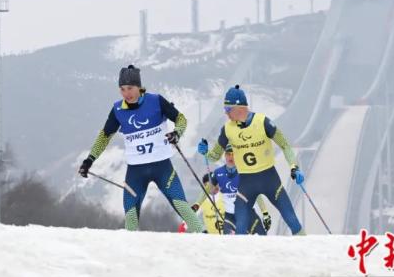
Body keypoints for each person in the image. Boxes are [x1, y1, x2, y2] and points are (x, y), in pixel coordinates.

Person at [78, 65, 203, 232]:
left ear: (139, 87)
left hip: (162, 167)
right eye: (122, 89)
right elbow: (104, 136)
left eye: (130, 88)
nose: (126, 93)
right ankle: (131, 252)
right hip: (136, 172)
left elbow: (181, 119)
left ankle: (205, 237)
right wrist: (89, 160)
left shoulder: (156, 101)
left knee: (182, 207)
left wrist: (177, 133)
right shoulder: (118, 110)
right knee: (130, 216)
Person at [198, 85, 305, 235]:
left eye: (228, 109)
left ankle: (307, 252)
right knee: (241, 228)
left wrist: (294, 167)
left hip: (269, 179)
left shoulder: (263, 122)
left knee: (292, 220)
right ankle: (242, 258)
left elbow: (285, 145)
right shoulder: (227, 129)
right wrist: (205, 152)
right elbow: (215, 155)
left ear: (239, 108)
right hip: (246, 183)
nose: (226, 113)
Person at [208, 145, 271, 235]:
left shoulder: (245, 171)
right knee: (231, 244)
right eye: (228, 154)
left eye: (233, 154)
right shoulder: (218, 172)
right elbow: (210, 191)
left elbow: (256, 194)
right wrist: (211, 190)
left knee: (262, 240)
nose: (231, 157)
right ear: (225, 155)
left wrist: (265, 212)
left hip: (248, 214)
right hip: (230, 217)